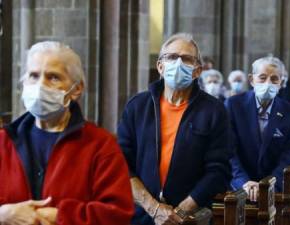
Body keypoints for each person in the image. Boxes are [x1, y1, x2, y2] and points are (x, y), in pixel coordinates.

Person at [0, 41, 134, 225]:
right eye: (34, 75)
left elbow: (117, 214)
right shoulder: (4, 141)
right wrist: (3, 215)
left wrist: (59, 217)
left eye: (53, 77)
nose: (41, 85)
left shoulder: (100, 145)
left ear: (76, 89)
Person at [118, 33, 232, 225]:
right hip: (142, 216)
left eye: (186, 59)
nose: (178, 63)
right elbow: (121, 165)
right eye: (171, 57)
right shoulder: (138, 107)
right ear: (160, 67)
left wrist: (180, 212)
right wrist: (154, 209)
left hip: (191, 218)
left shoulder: (214, 110)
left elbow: (218, 170)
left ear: (197, 71)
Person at [226, 56, 290, 201]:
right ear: (251, 80)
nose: (268, 83)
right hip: (237, 187)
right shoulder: (233, 105)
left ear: (282, 82)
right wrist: (243, 182)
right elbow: (228, 150)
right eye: (262, 78)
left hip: (274, 189)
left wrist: (268, 184)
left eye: (274, 79)